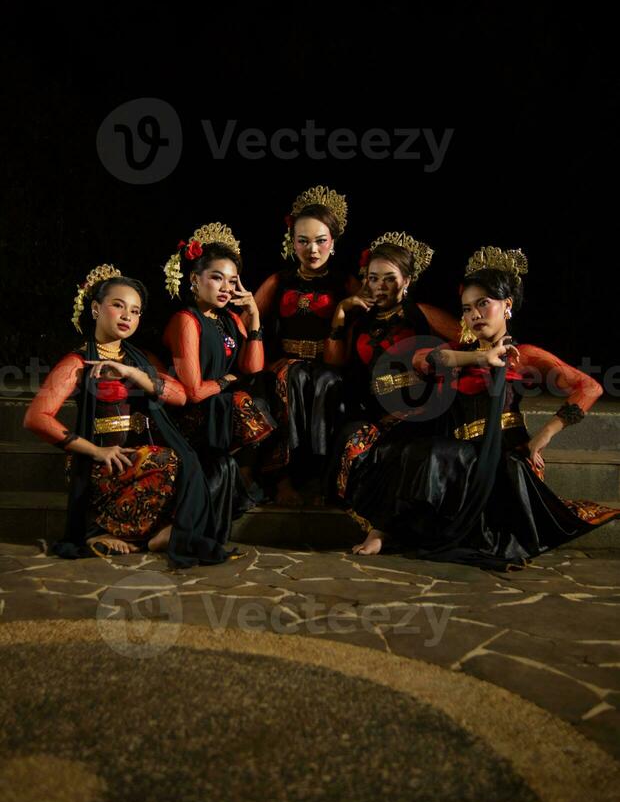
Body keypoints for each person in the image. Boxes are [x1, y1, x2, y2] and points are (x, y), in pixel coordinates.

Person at [347, 246, 620, 566]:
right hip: (461, 449)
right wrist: (480, 357)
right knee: (412, 449)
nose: (474, 314)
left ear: (506, 306)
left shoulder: (526, 355)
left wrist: (545, 433)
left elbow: (590, 387)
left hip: (502, 450)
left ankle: (387, 532)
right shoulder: (456, 352)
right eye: (466, 309)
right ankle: (382, 531)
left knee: (433, 454)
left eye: (483, 304)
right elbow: (426, 360)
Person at [24, 265, 239, 568]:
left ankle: (149, 536)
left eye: (136, 311)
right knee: (169, 460)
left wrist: (132, 373)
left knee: (199, 462)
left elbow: (179, 395)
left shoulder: (139, 359)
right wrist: (96, 449)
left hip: (138, 457)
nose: (128, 316)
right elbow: (36, 417)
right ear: (96, 309)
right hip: (102, 463)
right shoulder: (78, 361)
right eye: (118, 306)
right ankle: (101, 531)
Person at [324, 234, 460, 508]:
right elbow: (335, 362)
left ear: (407, 281)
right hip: (375, 412)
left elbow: (466, 340)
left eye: (389, 278)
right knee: (351, 440)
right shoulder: (360, 322)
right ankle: (356, 511)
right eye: (373, 278)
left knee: (401, 449)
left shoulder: (421, 313)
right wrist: (340, 311)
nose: (379, 286)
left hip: (420, 412)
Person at [254, 185, 359, 505]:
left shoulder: (345, 282)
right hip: (288, 364)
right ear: (292, 243)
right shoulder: (279, 280)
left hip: (329, 366)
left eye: (320, 241)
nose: (312, 249)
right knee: (293, 377)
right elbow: (249, 314)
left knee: (325, 382)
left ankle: (320, 479)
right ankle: (285, 479)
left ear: (333, 242)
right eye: (303, 241)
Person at [162, 223, 277, 494]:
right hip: (191, 415)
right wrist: (227, 380)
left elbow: (253, 368)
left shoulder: (231, 318)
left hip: (221, 408)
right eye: (217, 278)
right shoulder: (186, 321)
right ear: (194, 279)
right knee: (239, 401)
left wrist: (255, 317)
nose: (226, 288)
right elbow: (192, 392)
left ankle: (245, 476)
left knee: (261, 390)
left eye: (232, 280)